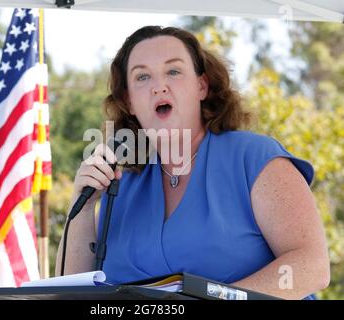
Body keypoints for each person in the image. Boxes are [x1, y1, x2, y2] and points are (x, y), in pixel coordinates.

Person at [56, 26, 330, 300]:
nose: (158, 86)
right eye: (142, 77)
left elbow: (311, 266)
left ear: (202, 86)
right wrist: (83, 204)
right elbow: (71, 291)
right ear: (129, 101)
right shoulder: (119, 182)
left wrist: (221, 299)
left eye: (173, 72)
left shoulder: (254, 157)